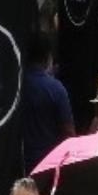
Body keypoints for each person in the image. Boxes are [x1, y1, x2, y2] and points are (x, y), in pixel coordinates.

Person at [20, 31, 76, 172]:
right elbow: (68, 132)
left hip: (19, 163)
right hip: (48, 164)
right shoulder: (56, 89)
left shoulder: (15, 88)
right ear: (48, 57)